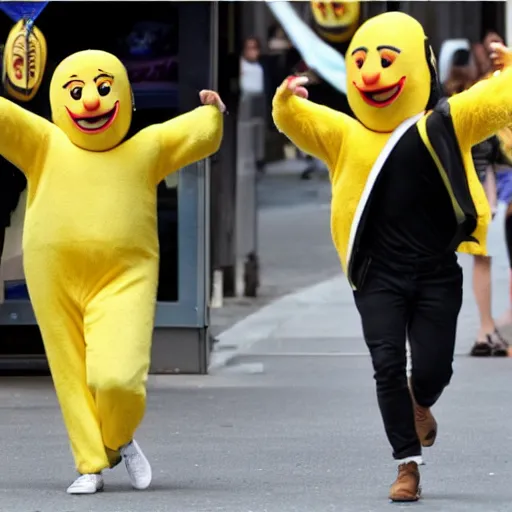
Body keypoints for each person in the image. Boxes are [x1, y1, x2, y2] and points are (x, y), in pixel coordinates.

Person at [273, 11, 512, 502]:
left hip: (436, 271)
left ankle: (421, 400)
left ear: (419, 65)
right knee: (386, 365)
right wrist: (286, 101)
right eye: (360, 62)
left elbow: (496, 102)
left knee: (434, 368)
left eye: (385, 60)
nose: (371, 73)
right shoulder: (345, 136)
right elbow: (296, 121)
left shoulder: (444, 124)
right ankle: (408, 465)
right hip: (377, 274)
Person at [0, 49, 224, 494]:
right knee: (68, 370)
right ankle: (89, 462)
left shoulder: (145, 149)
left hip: (125, 276)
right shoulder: (43, 142)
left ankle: (118, 437)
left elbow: (198, 132)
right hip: (53, 273)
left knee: (116, 377)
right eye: (76, 91)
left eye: (104, 89)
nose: (90, 102)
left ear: (124, 96)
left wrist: (213, 111)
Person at [444, 47, 510, 356]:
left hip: (447, 196)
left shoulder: (441, 106)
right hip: (477, 195)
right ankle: (485, 329)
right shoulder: (479, 105)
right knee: (482, 262)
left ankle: (485, 329)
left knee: (451, 265)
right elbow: (492, 160)